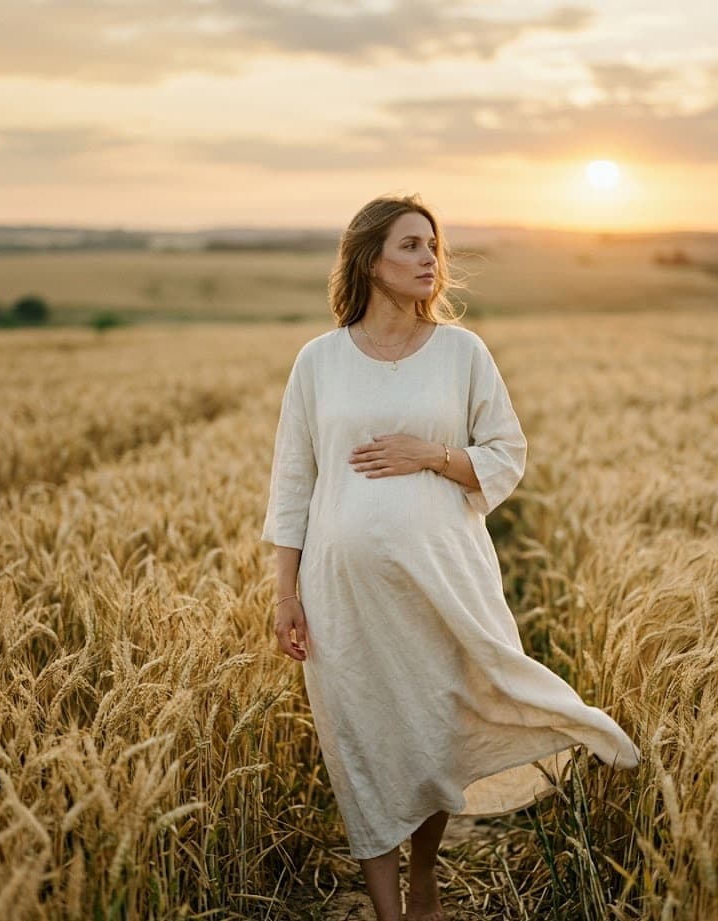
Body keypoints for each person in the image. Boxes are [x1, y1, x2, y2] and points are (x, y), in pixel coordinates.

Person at [260, 194, 640, 921]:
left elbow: (506, 454)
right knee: (362, 739)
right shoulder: (319, 361)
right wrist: (285, 594)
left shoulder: (462, 352)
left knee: (432, 732)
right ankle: (388, 910)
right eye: (409, 245)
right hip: (342, 591)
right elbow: (292, 481)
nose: (430, 258)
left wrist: (429, 454)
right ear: (369, 258)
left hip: (446, 580)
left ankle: (426, 871)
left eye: (432, 244)